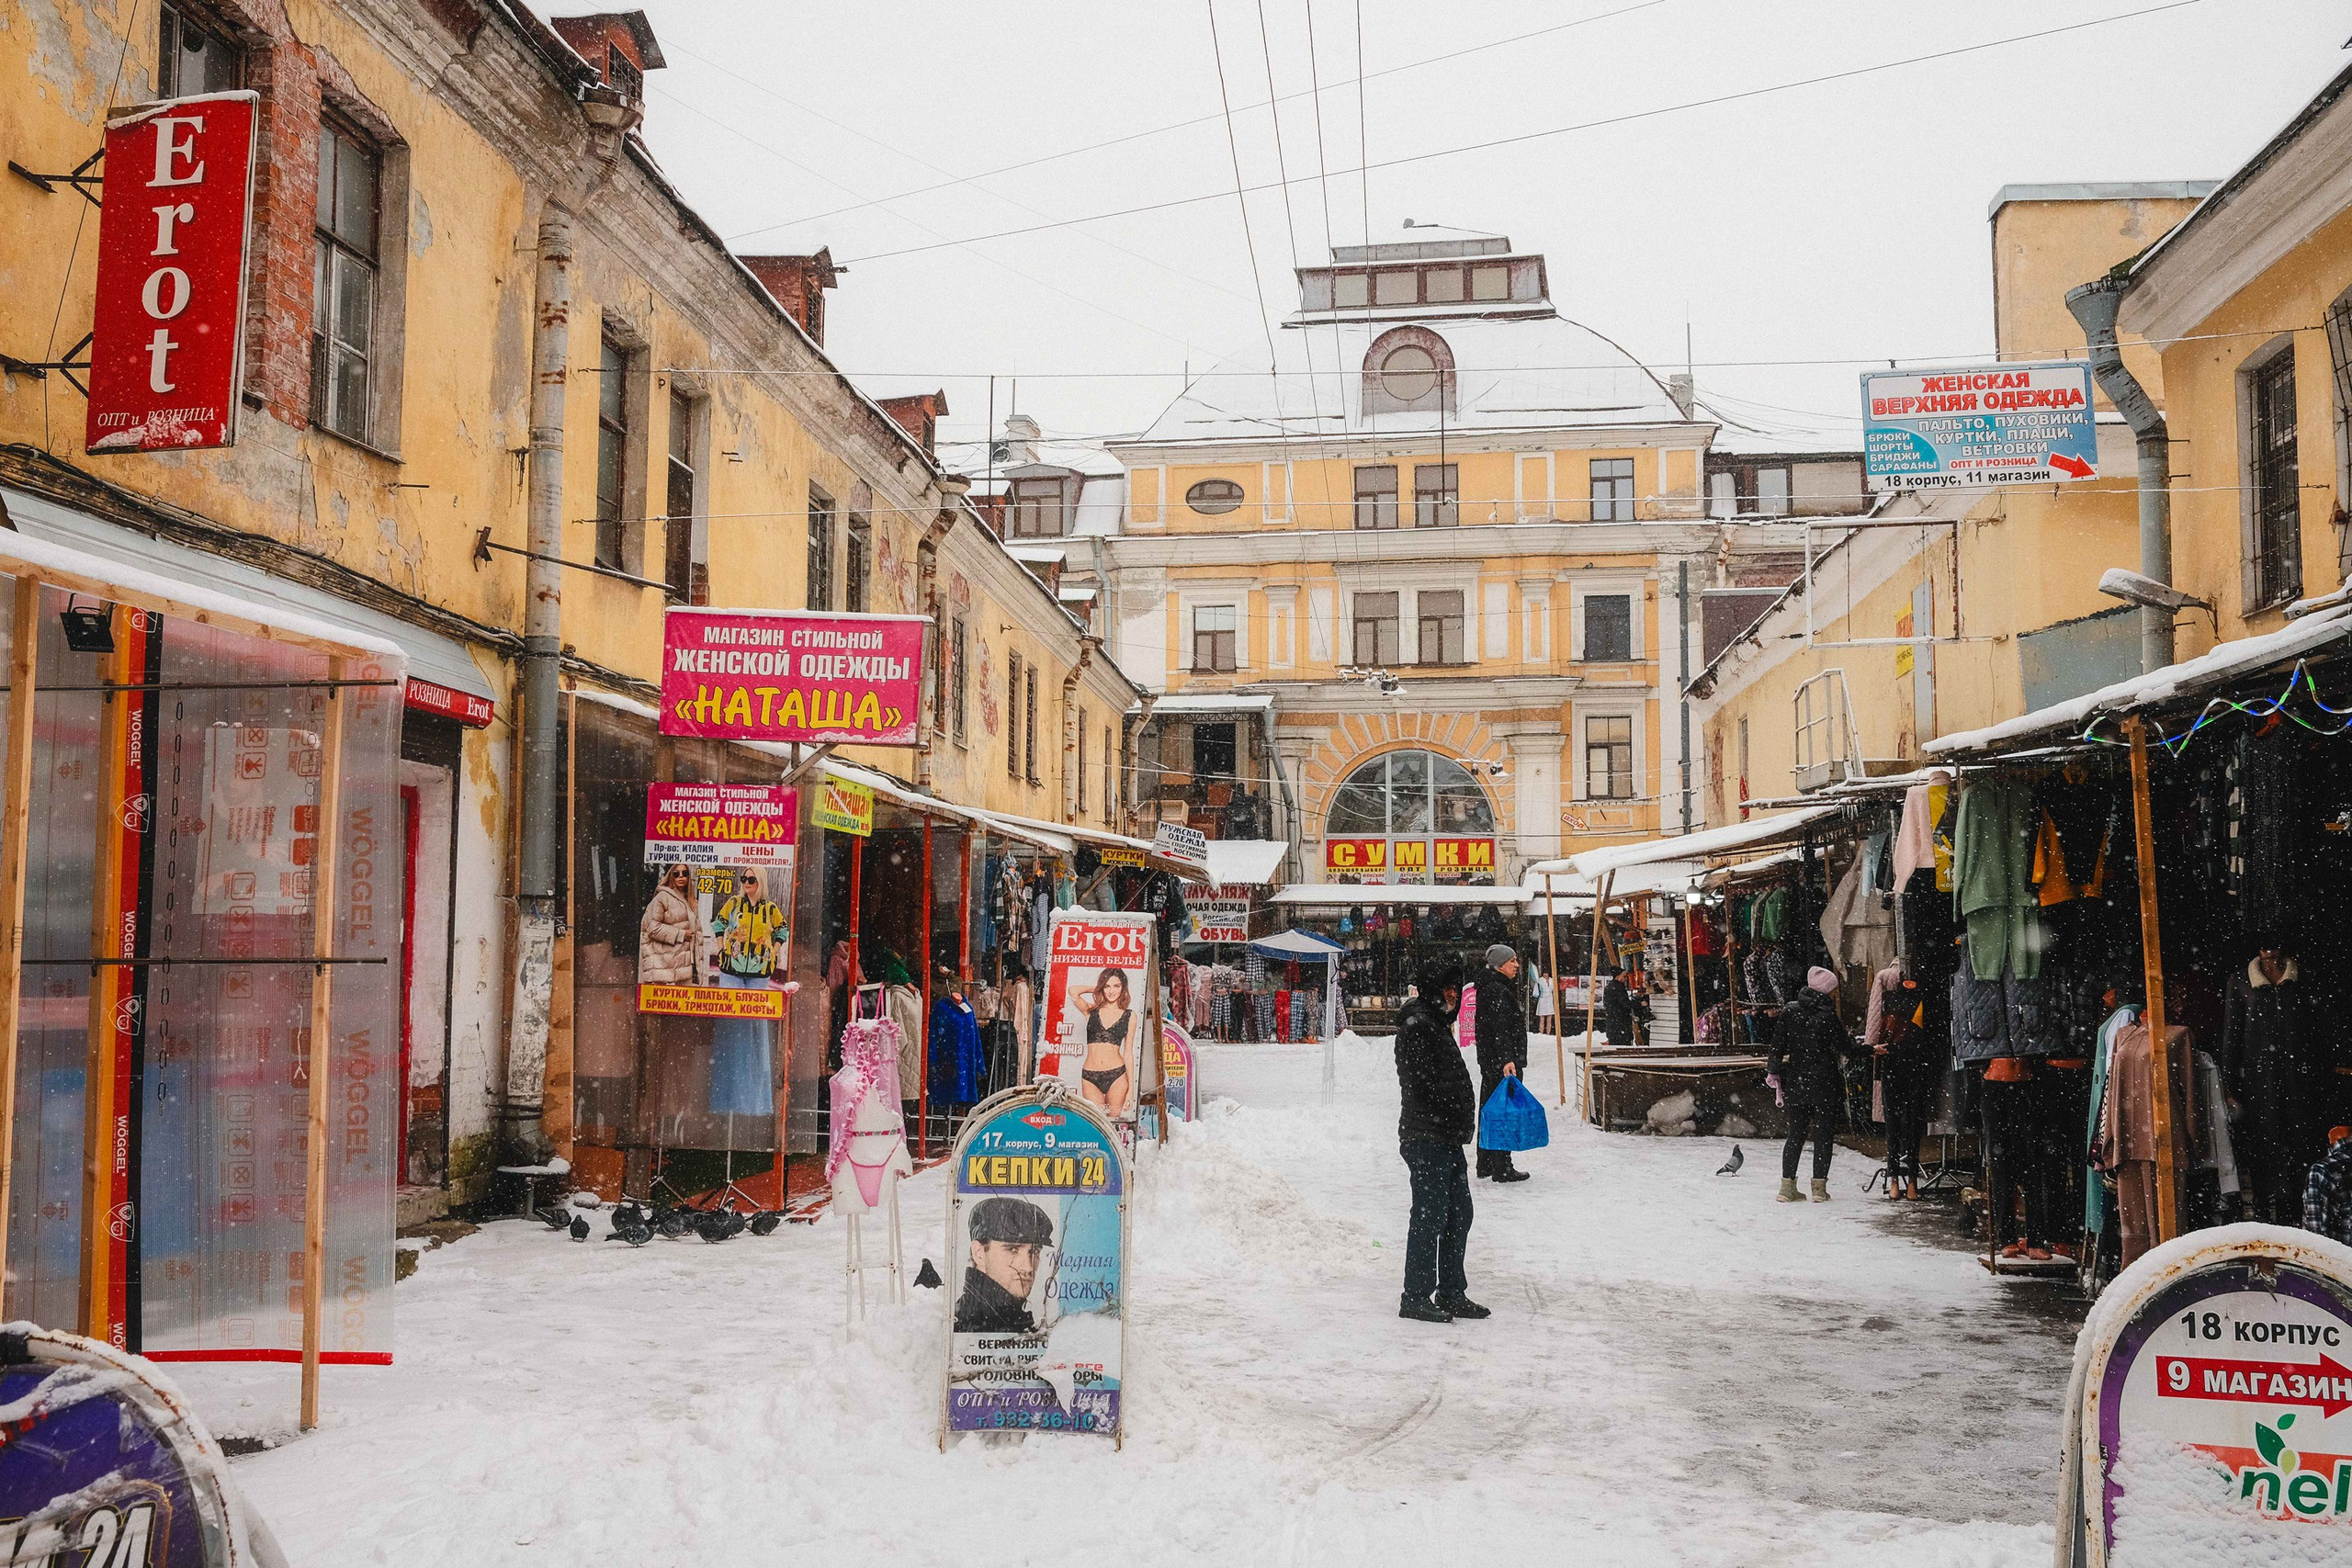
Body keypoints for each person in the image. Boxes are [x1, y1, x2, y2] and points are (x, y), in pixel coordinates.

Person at [1393, 960, 1485, 1324]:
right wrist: (1450, 1113)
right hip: (1426, 1135)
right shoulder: (1418, 1026)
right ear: (1431, 987)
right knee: (1429, 1218)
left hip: (1444, 1137)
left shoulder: (1436, 1024)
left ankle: (1451, 1291)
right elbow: (1422, 1083)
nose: (1452, 993)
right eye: (1446, 986)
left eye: (1456, 987)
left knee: (1459, 1214)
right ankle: (1415, 1295)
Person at [1769, 966, 1849, 1202]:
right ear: (1827, 991)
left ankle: (1787, 1188)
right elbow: (1846, 1047)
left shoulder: (1790, 1011)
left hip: (1796, 1080)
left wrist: (1773, 1071)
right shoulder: (1827, 1015)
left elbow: (1777, 1046)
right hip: (1825, 1082)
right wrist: (1870, 1049)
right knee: (1824, 1135)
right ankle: (1819, 1189)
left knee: (1796, 1134)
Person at [1472, 943, 1530, 1182]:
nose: (1517, 965)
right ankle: (1502, 1166)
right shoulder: (1497, 990)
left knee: (1490, 1110)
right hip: (1502, 1063)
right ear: (1500, 965)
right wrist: (1508, 1058)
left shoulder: (1490, 987)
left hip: (1492, 1061)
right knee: (1503, 1113)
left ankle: (1485, 1163)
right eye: (1512, 961)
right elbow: (1500, 1029)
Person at [955, 1195, 1055, 1333]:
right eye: (1013, 1249)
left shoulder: (1005, 1320)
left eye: (1034, 1251)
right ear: (979, 1253)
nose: (1028, 1267)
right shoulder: (968, 1324)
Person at [1073, 966, 1135, 1117]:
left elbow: (1128, 1052)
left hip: (1117, 1075)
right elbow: (1073, 991)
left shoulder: (1130, 1015)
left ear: (1123, 988)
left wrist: (1131, 1090)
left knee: (1113, 1124)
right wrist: (1096, 989)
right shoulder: (1090, 1011)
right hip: (1090, 1076)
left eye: (1116, 986)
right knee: (1096, 1123)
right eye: (1107, 986)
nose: (1111, 991)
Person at [637, 864, 700, 985]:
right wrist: (680, 934)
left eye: (685, 873)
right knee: (665, 1002)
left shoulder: (691, 900)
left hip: (684, 966)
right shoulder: (662, 897)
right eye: (676, 874)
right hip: (665, 968)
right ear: (671, 877)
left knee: (683, 1003)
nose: (681, 876)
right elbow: (652, 928)